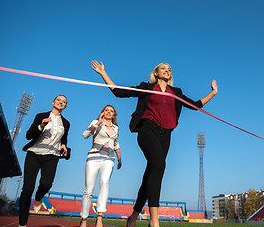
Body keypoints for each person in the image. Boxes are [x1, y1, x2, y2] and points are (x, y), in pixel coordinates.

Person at [91, 60, 217, 227]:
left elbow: (195, 105)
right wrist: (103, 73)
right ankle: (154, 220)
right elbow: (119, 92)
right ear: (156, 73)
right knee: (159, 165)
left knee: (151, 174)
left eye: (169, 69)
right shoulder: (148, 88)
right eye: (163, 68)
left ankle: (133, 217)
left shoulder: (176, 92)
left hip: (166, 135)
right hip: (147, 130)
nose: (167, 70)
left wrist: (213, 92)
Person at [19, 95, 70, 227]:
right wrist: (41, 125)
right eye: (59, 100)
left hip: (52, 156)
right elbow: (28, 135)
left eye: (64, 102)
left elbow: (63, 139)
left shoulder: (66, 123)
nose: (61, 102)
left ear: (65, 106)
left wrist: (63, 145)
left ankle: (38, 198)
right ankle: (22, 224)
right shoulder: (40, 116)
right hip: (34, 153)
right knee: (27, 188)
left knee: (46, 184)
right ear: (53, 102)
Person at [80, 105, 122, 227]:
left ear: (114, 115)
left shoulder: (116, 128)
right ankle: (84, 219)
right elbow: (85, 135)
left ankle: (99, 217)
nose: (109, 112)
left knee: (104, 182)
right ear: (103, 112)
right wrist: (98, 122)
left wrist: (119, 158)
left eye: (111, 111)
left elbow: (116, 143)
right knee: (89, 188)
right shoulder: (95, 122)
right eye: (106, 110)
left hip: (108, 158)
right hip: (93, 157)